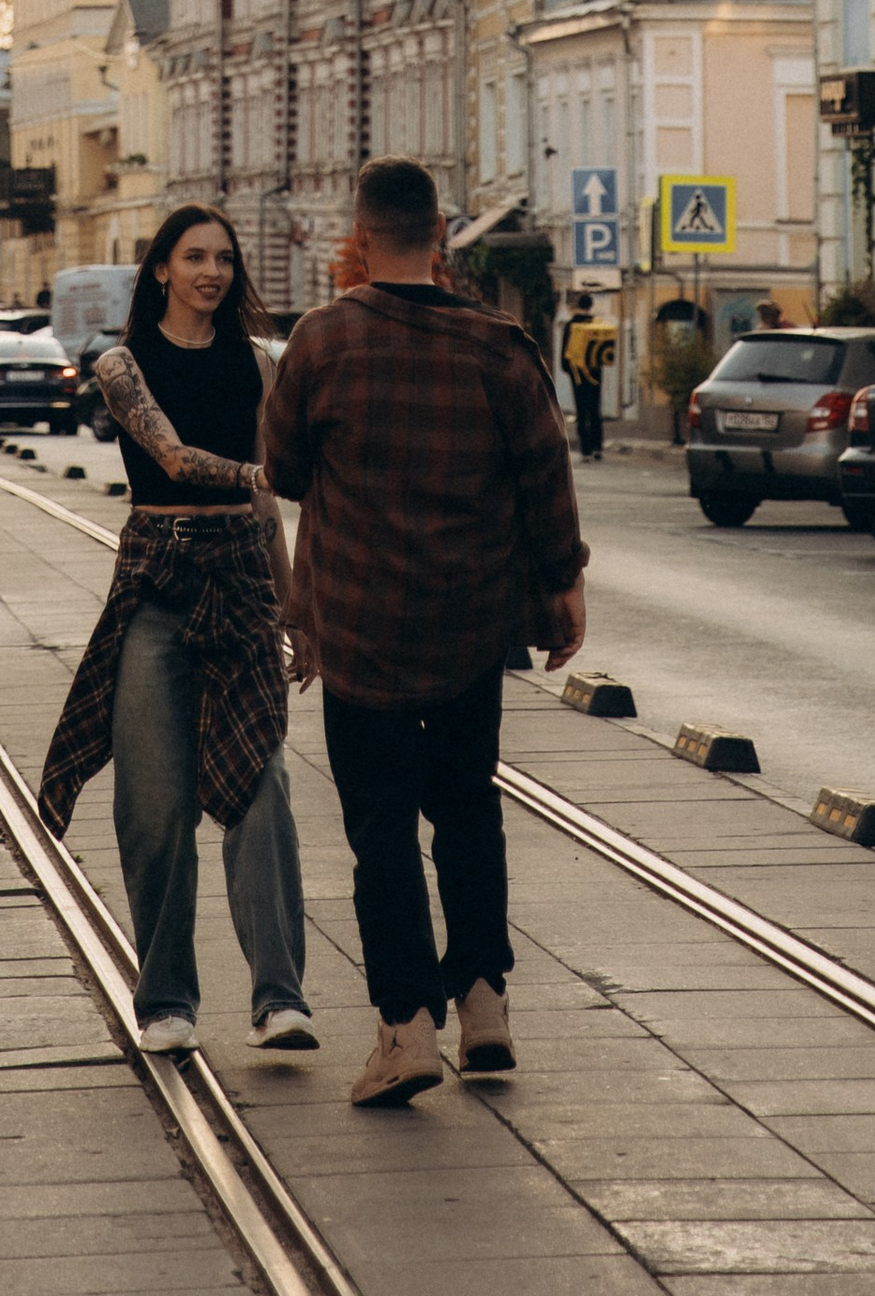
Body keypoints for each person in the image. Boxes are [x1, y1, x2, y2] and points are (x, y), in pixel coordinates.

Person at [261, 156, 587, 1112]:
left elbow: (278, 470)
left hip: (359, 632)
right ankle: (485, 1003)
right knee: (468, 810)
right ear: (443, 235)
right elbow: (545, 487)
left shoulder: (319, 341)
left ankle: (404, 1028)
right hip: (468, 628)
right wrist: (562, 590)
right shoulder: (501, 347)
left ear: (359, 238)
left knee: (381, 835)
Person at [38, 205, 313, 1059]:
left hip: (239, 587)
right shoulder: (122, 364)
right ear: (160, 268)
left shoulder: (257, 364)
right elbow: (171, 457)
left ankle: (280, 999)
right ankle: (166, 1000)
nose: (212, 272)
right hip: (156, 590)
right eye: (195, 257)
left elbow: (263, 506)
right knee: (153, 807)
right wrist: (263, 471)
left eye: (224, 259)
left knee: (263, 790)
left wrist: (296, 608)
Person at [559, 293, 615, 461]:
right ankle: (598, 447)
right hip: (595, 374)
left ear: (578, 306)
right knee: (595, 410)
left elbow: (565, 352)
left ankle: (585, 451)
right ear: (591, 306)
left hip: (577, 375)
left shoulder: (571, 325)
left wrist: (569, 370)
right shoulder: (596, 325)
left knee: (581, 412)